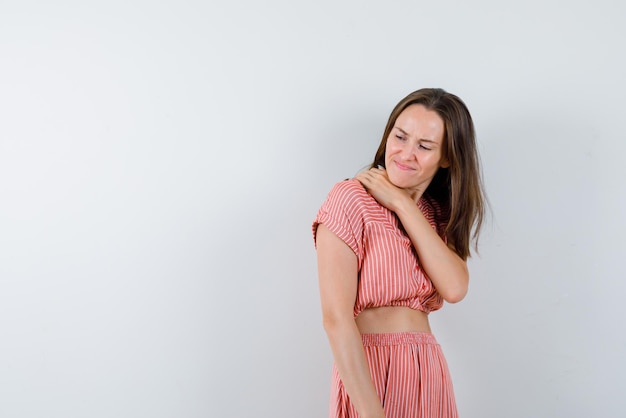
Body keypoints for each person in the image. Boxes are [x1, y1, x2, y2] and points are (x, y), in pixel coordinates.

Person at [312, 88, 486, 418]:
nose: (405, 154)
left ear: (446, 157)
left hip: (428, 373)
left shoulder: (435, 215)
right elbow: (336, 320)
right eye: (400, 137)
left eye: (424, 146)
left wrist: (402, 205)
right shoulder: (350, 199)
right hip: (371, 370)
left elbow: (455, 287)